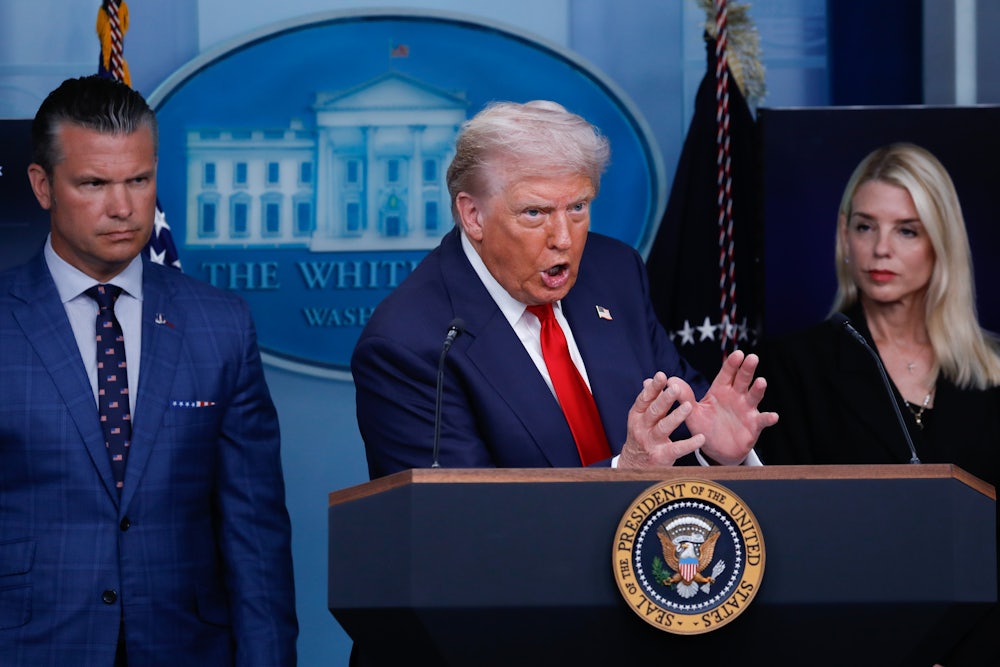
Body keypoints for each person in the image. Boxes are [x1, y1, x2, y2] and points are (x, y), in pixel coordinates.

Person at [0, 75, 298, 665]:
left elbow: (254, 533)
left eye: (139, 180)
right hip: (31, 645)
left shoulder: (222, 324)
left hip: (186, 648)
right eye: (93, 183)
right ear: (42, 185)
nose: (122, 206)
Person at [351, 100, 777, 479]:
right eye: (535, 212)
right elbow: (456, 523)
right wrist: (622, 474)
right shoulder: (409, 345)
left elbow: (673, 429)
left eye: (577, 207)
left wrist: (717, 455)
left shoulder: (614, 273)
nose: (564, 239)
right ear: (473, 215)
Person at [755, 142, 1000, 666]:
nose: (880, 249)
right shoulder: (792, 366)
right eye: (866, 227)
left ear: (942, 242)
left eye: (906, 230)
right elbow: (786, 533)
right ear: (845, 235)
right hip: (852, 644)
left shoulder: (995, 372)